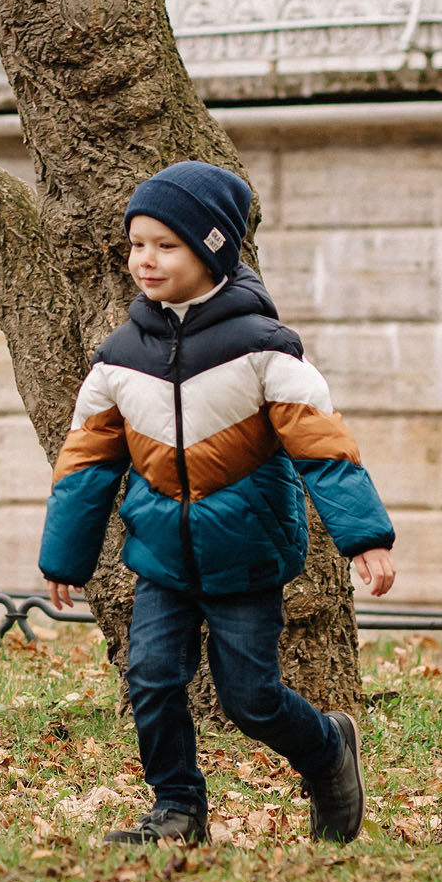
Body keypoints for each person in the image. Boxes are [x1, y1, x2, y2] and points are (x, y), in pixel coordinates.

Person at [40, 161, 397, 846]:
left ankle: (328, 750)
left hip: (245, 557)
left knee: (251, 699)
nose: (145, 259)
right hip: (163, 561)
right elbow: (85, 461)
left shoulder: (265, 351)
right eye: (137, 243)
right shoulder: (119, 357)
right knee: (149, 677)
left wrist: (365, 537)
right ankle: (177, 810)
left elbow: (324, 445)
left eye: (166, 245)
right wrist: (65, 554)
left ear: (211, 249)